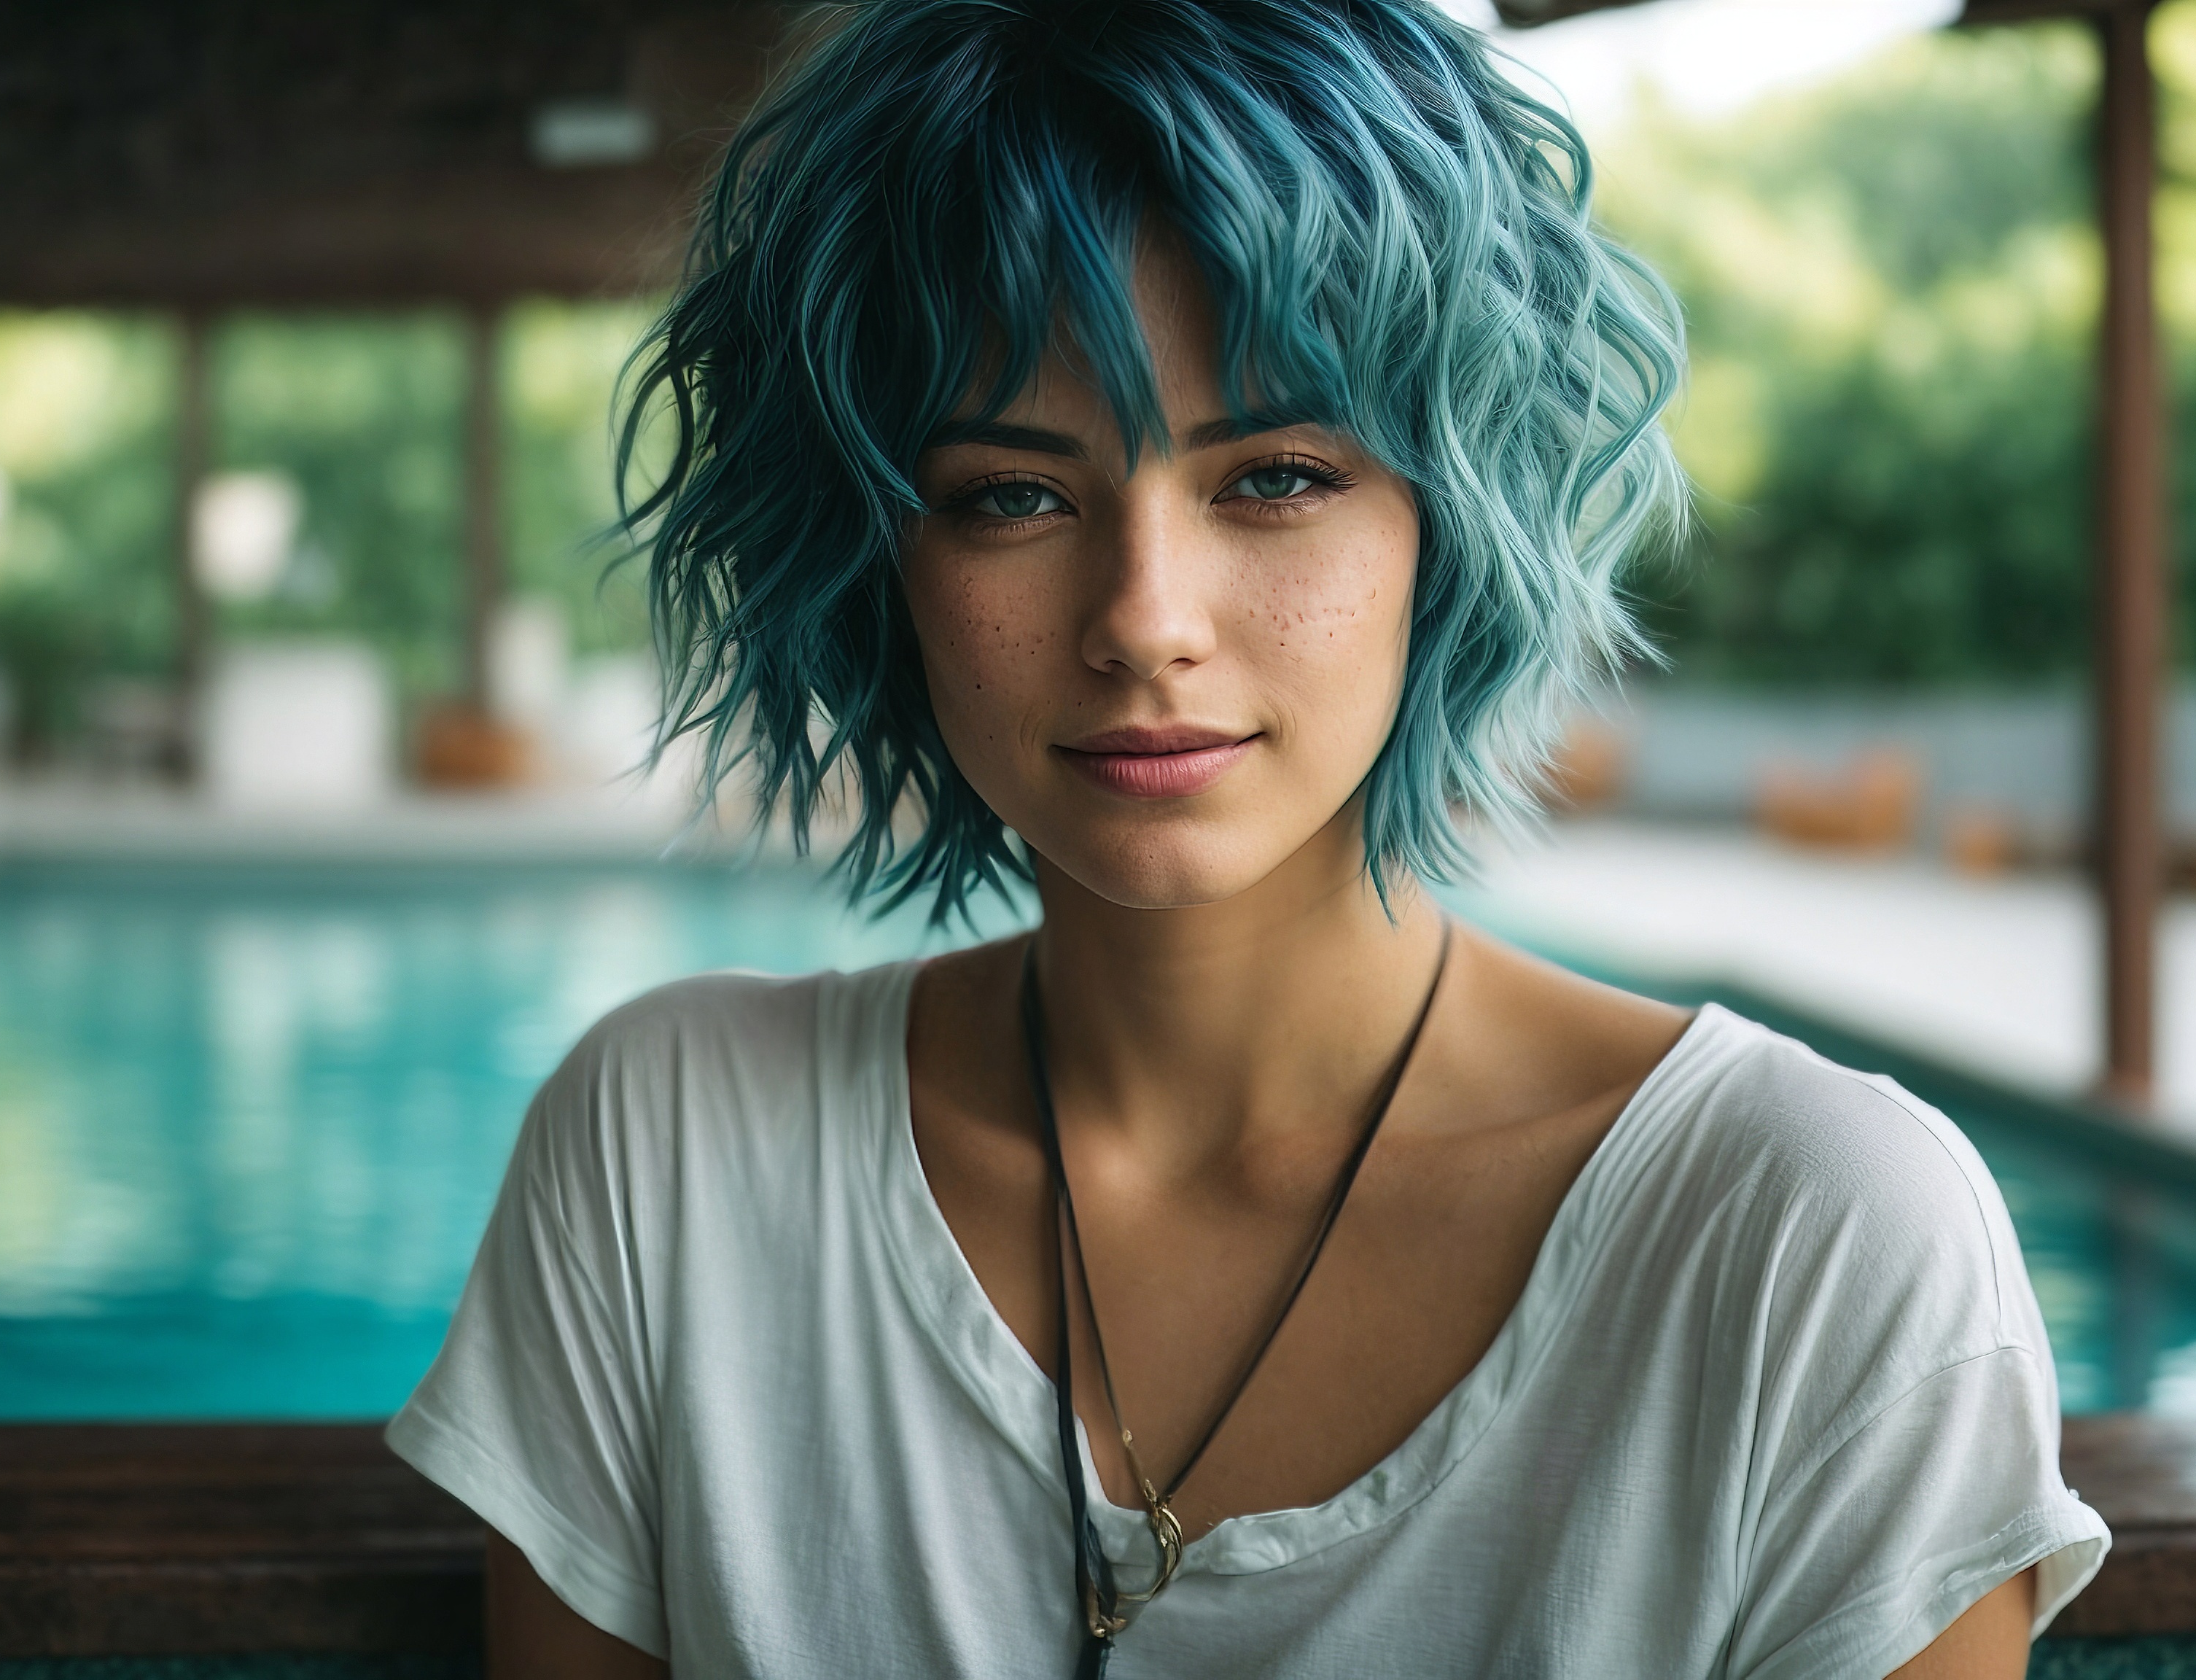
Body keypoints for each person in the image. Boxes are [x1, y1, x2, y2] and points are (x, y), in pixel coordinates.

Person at [386, 2, 2109, 1674]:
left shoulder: (1817, 1237)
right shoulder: (669, 1160)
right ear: (876, 563)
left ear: (1455, 517)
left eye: (1274, 475)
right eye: (1011, 493)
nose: (1145, 620)